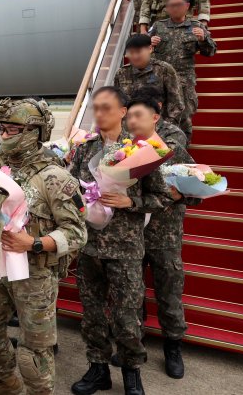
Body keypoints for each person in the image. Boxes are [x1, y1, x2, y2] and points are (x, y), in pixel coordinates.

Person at [0, 98, 87, 395]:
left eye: (13, 129)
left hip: (36, 277)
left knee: (34, 349)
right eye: (3, 128)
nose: (4, 135)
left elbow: (77, 233)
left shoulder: (55, 178)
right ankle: (6, 382)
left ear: (34, 132)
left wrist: (35, 243)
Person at [69, 87, 170, 395]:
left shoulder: (141, 148)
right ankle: (98, 368)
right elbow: (70, 186)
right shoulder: (85, 149)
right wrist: (81, 199)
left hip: (125, 248)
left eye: (106, 108)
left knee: (127, 317)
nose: (99, 114)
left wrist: (131, 204)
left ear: (123, 111)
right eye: (96, 108)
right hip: (91, 245)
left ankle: (131, 371)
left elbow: (162, 197)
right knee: (93, 313)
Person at [124, 91, 199, 380]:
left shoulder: (172, 148)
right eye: (128, 116)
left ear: (155, 117)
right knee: (132, 293)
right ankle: (134, 341)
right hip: (131, 234)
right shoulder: (124, 149)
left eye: (136, 115)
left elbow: (197, 187)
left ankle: (173, 346)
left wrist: (183, 195)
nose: (131, 120)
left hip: (165, 235)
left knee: (169, 292)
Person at [149, 0, 217, 141]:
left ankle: (181, 154)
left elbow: (211, 51)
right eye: (170, 6)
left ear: (186, 6)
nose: (173, 8)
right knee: (157, 118)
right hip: (159, 81)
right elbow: (141, 48)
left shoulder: (196, 26)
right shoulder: (158, 26)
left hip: (183, 82)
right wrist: (149, 42)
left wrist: (203, 39)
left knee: (183, 119)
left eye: (178, 5)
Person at [114, 34, 184, 128]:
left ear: (150, 49)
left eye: (138, 52)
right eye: (131, 52)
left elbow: (176, 104)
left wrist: (165, 128)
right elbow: (118, 104)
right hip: (130, 128)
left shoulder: (164, 70)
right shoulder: (121, 73)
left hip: (157, 127)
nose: (135, 56)